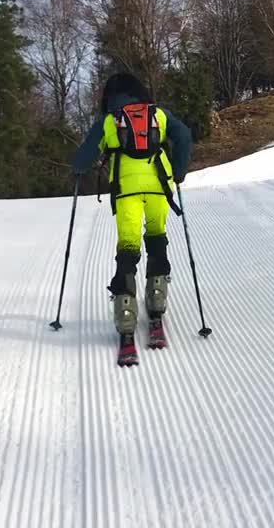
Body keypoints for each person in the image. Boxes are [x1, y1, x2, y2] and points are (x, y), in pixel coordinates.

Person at [72, 72, 194, 350]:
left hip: (126, 192)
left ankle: (125, 315)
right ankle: (157, 300)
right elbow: (184, 137)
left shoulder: (110, 120)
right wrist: (179, 172)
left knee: (128, 248)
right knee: (156, 238)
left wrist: (80, 167)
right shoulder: (158, 114)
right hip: (159, 188)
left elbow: (83, 158)